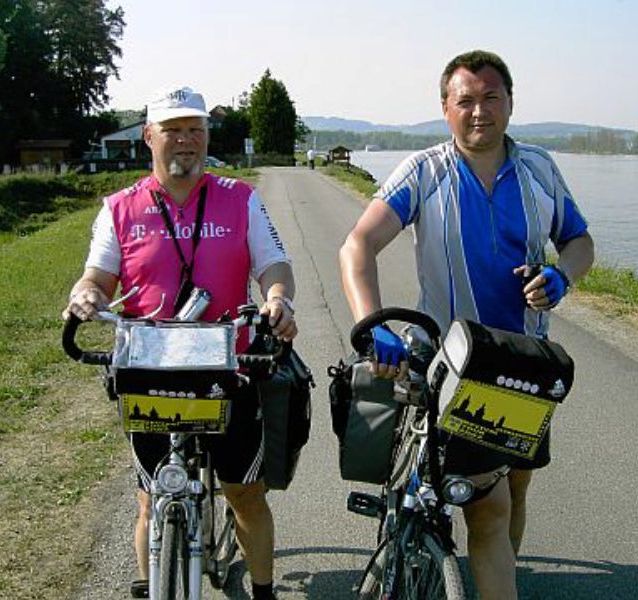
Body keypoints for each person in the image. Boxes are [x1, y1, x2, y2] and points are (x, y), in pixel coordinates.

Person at [339, 50, 594, 600]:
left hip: (525, 362)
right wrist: (372, 325)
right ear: (445, 109)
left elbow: (579, 242)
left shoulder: (539, 170)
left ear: (510, 103)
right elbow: (358, 244)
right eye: (466, 101)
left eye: (491, 98)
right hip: (450, 363)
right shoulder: (425, 171)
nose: (480, 112)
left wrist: (562, 275)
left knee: (517, 485)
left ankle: (497, 567)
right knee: (487, 505)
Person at [64, 86, 296, 600]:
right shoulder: (120, 208)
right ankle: (154, 586)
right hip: (151, 372)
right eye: (172, 131)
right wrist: (84, 294)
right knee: (152, 497)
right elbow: (97, 279)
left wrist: (278, 298)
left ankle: (263, 591)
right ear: (149, 138)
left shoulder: (240, 198)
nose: (185, 141)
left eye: (195, 130)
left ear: (208, 136)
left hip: (228, 366)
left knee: (244, 495)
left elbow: (274, 266)